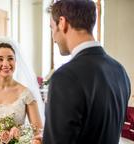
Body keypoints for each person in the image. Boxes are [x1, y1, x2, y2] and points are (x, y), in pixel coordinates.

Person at [43, 1, 131, 144]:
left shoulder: (65, 77)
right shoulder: (119, 70)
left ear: (62, 22)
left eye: (52, 29)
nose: (53, 38)